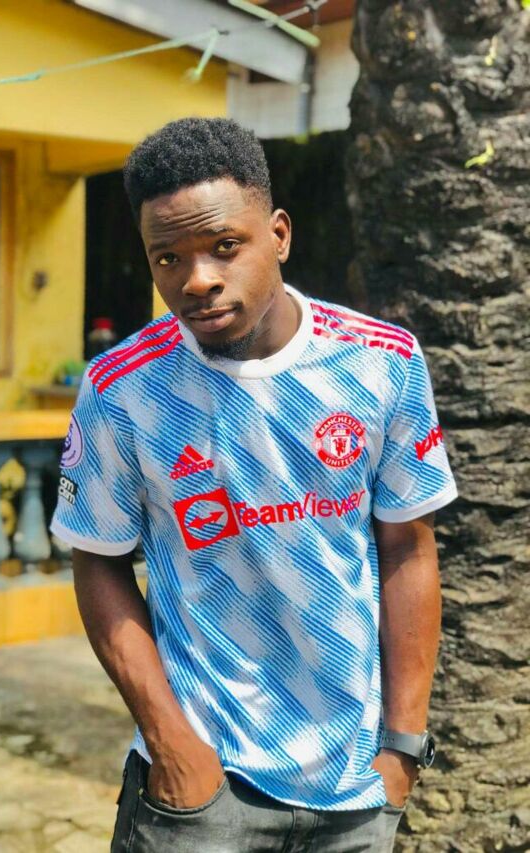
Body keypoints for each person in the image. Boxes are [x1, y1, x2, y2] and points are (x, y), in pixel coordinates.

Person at [50, 117, 457, 852]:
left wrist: (402, 746)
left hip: (356, 786)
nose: (196, 279)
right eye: (167, 257)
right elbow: (97, 559)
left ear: (279, 235)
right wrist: (172, 744)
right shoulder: (123, 388)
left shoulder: (381, 363)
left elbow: (407, 547)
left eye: (224, 246)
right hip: (202, 791)